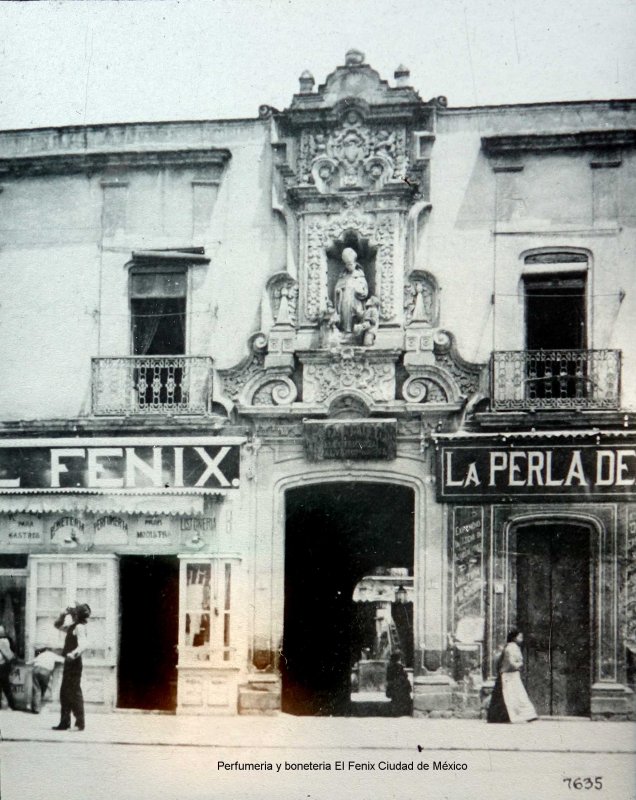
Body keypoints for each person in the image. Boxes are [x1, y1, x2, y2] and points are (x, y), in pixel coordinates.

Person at [52, 603, 91, 731]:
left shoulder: (79, 627)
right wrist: (62, 614)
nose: (72, 613)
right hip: (69, 663)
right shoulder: (72, 627)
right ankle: (64, 722)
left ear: (76, 615)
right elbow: (57, 625)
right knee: (65, 693)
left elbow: (84, 644)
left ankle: (80, 724)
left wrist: (73, 654)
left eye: (74, 612)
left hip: (74, 663)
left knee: (74, 693)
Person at [487, 629, 537, 723]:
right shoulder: (511, 648)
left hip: (512, 674)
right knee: (511, 695)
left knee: (515, 695)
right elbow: (511, 662)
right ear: (514, 638)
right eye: (519, 637)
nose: (521, 639)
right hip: (509, 675)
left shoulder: (513, 647)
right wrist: (518, 665)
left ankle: (524, 714)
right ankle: (519, 715)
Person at [333, 247, 368, 334]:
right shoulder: (343, 276)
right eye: (347, 264)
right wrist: (338, 291)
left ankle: (357, 332)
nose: (349, 266)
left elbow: (365, 290)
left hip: (356, 300)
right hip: (345, 300)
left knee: (358, 314)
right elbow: (338, 287)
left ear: (355, 264)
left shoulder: (359, 276)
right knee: (345, 314)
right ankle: (346, 330)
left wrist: (361, 292)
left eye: (351, 264)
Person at [30, 646, 64, 713]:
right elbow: (63, 660)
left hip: (36, 669)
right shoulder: (53, 655)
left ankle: (34, 707)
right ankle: (37, 708)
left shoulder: (41, 654)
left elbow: (32, 661)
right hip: (45, 671)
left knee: (36, 689)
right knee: (42, 689)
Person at [385, 651, 412, 716]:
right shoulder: (399, 666)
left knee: (395, 699)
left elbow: (388, 677)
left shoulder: (390, 667)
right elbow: (405, 675)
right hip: (400, 684)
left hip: (394, 684)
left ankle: (396, 711)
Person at [0, 624, 17, 710]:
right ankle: (12, 705)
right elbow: (10, 654)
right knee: (6, 686)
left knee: (5, 686)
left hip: (2, 665)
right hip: (3, 666)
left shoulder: (3, 641)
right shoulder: (5, 640)